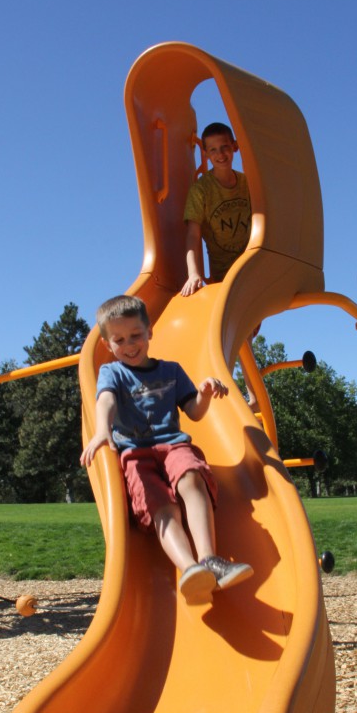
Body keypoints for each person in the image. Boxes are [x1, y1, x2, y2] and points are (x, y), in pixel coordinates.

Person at [80, 294, 253, 603]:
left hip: (172, 445)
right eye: (120, 340)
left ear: (149, 332)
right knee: (161, 505)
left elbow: (195, 412)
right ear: (108, 345)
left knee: (191, 476)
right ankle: (190, 570)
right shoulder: (112, 373)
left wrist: (204, 393)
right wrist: (102, 431)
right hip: (135, 453)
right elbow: (105, 400)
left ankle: (209, 559)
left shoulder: (171, 371)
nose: (130, 345)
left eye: (136, 335)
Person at [181, 121, 259, 409]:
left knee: (243, 328)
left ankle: (243, 392)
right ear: (205, 153)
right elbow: (193, 233)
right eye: (213, 150)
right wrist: (194, 274)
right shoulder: (202, 191)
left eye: (225, 147)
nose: (220, 154)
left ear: (235, 147)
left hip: (253, 265)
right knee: (237, 328)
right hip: (225, 272)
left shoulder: (249, 185)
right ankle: (242, 395)